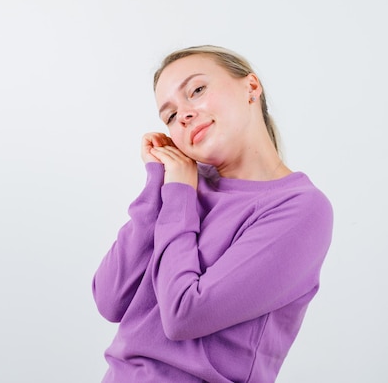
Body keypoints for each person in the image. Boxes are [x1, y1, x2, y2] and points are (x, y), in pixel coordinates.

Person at [92, 45, 333, 383]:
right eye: (170, 116)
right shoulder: (183, 187)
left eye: (197, 90)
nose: (185, 115)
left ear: (251, 88)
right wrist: (158, 183)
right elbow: (110, 298)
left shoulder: (300, 208)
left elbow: (183, 316)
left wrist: (178, 194)